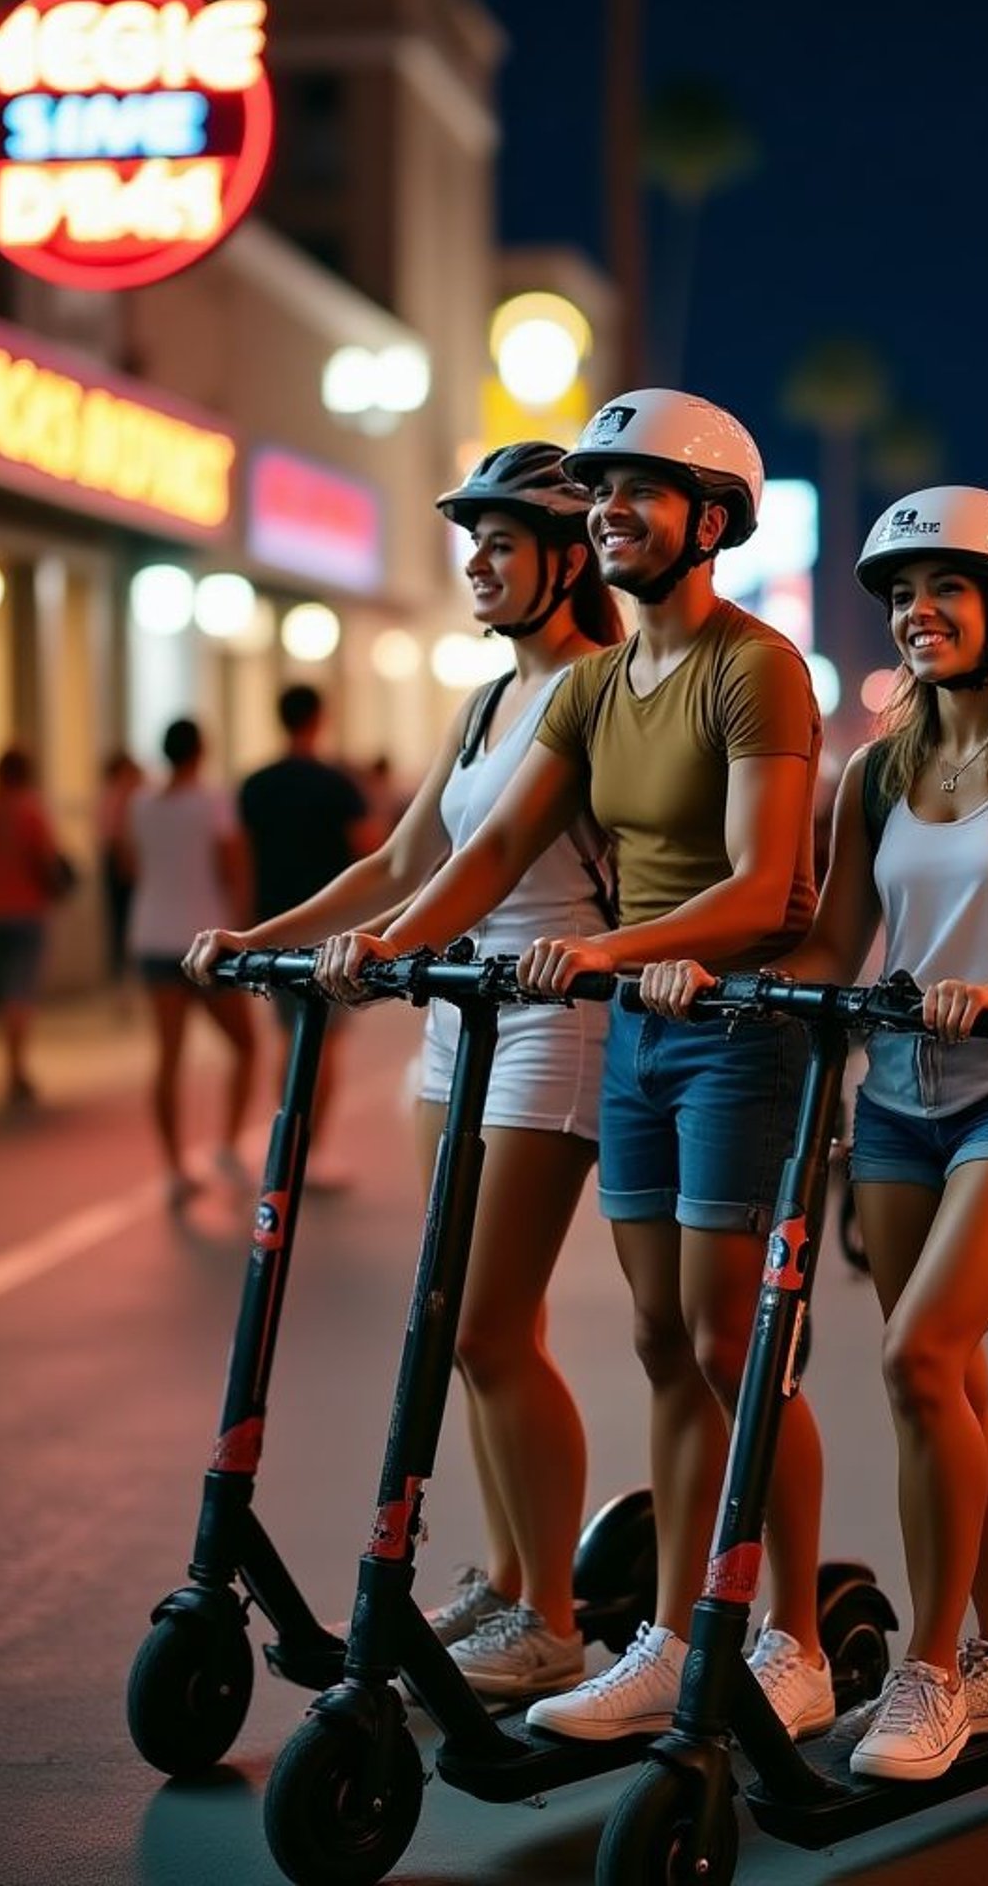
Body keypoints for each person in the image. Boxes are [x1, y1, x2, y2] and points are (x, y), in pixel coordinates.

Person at [321, 392, 834, 1743]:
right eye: (597, 492)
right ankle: (670, 1634)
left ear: (710, 522)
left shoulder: (757, 664)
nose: (608, 512)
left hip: (733, 1028)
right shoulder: (595, 685)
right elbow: (478, 858)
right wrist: (380, 945)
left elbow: (770, 887)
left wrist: (614, 954)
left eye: (637, 493)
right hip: (640, 1029)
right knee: (668, 1342)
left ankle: (794, 1634)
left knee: (735, 1343)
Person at [642, 485, 988, 1782]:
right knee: (954, 1379)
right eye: (902, 597)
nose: (918, 615)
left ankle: (933, 1674)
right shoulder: (879, 768)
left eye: (944, 591)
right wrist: (722, 973)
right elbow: (831, 941)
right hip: (895, 1098)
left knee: (923, 1358)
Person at [188, 443, 624, 1695]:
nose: (477, 565)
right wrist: (263, 940)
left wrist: (381, 950)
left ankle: (551, 1619)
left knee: (490, 1327)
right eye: (471, 544)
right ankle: (505, 1573)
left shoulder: (592, 693)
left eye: (502, 543)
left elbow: (483, 871)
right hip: (456, 1013)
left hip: (552, 1013)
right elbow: (397, 861)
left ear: (566, 557)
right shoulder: (483, 702)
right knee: (466, 1327)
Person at [125, 719, 257, 1206]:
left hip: (152, 936)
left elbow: (130, 862)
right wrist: (245, 931)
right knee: (245, 1045)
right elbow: (234, 867)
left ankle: (174, 1168)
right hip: (205, 941)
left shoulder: (139, 804)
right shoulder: (214, 801)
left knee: (168, 1057)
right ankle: (227, 1144)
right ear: (201, 751)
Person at [236, 682, 370, 1157]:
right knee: (325, 1040)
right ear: (318, 719)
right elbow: (370, 849)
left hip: (276, 924)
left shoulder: (255, 784)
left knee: (286, 1037)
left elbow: (243, 858)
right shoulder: (337, 784)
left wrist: (248, 921)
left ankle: (286, 1147)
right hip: (328, 927)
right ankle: (309, 1151)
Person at [0, 746, 65, 1105]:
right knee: (20, 990)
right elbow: (46, 861)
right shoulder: (30, 813)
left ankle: (12, 1062)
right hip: (26, 910)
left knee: (4, 988)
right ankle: (15, 1067)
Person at [97, 749, 146, 998]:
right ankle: (124, 983)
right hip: (122, 867)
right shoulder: (120, 797)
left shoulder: (129, 797)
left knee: (124, 927)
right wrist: (129, 867)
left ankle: (125, 982)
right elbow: (116, 838)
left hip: (127, 865)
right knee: (123, 926)